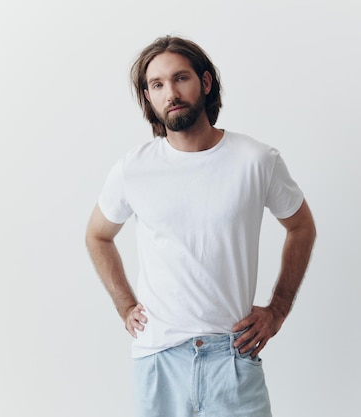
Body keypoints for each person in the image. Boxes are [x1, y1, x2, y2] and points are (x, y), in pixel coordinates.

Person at [85, 35, 316, 417]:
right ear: (148, 97)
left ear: (205, 83)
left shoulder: (256, 160)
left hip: (233, 359)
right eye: (157, 85)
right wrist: (125, 304)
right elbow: (97, 235)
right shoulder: (134, 169)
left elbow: (301, 226)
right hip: (158, 361)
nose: (170, 92)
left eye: (180, 78)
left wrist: (278, 309)